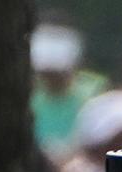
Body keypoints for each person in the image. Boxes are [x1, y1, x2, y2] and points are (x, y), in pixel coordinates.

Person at [30, 17, 106, 161]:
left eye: (56, 73)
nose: (51, 78)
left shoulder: (93, 95)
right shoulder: (30, 98)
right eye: (45, 73)